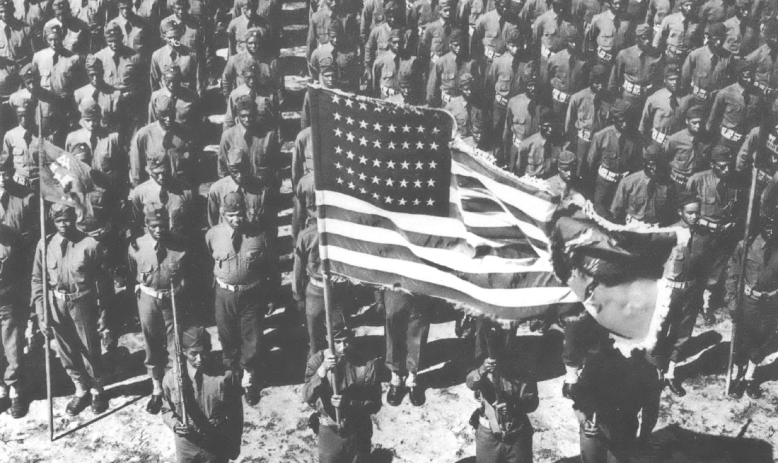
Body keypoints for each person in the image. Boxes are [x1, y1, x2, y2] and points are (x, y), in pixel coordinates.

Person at [31, 202, 114, 416]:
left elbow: (104, 283)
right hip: (55, 304)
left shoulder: (90, 244)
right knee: (65, 349)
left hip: (83, 302)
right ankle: (81, 390)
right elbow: (38, 280)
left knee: (90, 348)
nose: (63, 224)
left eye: (66, 219)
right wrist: (41, 313)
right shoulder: (45, 244)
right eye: (58, 220)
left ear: (75, 217)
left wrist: (105, 312)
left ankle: (97, 389)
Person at [205, 191, 278, 406]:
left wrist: (272, 296)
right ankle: (231, 375)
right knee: (226, 336)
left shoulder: (259, 235)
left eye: (240, 214)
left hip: (252, 293)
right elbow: (210, 258)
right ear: (222, 213)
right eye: (231, 215)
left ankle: (248, 379)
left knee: (252, 337)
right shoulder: (212, 235)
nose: (236, 219)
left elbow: (271, 267)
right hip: (224, 293)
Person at [128, 203, 191, 414]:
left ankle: (175, 387)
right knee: (151, 344)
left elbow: (190, 274)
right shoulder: (135, 246)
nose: (159, 229)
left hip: (173, 299)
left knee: (176, 344)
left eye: (163, 225)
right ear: (146, 225)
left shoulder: (180, 244)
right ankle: (156, 388)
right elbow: (131, 273)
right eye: (154, 225)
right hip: (148, 299)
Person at [302, 312, 382, 463]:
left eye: (346, 341)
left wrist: (349, 403)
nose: (343, 347)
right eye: (337, 342)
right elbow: (307, 396)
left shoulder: (365, 363)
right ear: (328, 339)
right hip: (329, 431)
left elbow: (375, 404)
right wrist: (322, 371)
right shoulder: (316, 362)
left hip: (358, 429)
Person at [725, 177, 778, 399]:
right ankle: (738, 376)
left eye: (774, 226)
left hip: (771, 303)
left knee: (762, 342)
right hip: (749, 302)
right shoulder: (746, 246)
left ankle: (750, 379)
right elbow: (733, 275)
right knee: (743, 341)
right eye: (766, 225)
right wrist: (732, 301)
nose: (770, 230)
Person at [160, 325, 243, 463]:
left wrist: (235, 444)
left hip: (216, 443)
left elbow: (236, 414)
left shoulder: (225, 377)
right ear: (184, 352)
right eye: (194, 354)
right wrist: (175, 424)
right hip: (186, 446)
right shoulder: (171, 378)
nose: (200, 358)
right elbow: (166, 410)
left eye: (204, 353)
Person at [650, 192, 705, 396]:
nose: (694, 217)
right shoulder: (668, 234)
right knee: (659, 331)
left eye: (697, 213)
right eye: (690, 213)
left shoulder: (702, 236)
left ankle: (670, 373)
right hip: (668, 290)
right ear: (680, 211)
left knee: (682, 333)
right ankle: (654, 371)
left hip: (690, 291)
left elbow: (703, 266)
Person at [572, 345, 662, 463]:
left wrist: (642, 440)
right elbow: (579, 398)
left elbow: (651, 411)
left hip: (625, 429)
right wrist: (583, 420)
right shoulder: (596, 360)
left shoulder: (648, 371)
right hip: (596, 427)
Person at [687, 144, 746, 325]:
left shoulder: (736, 185)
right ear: (712, 164)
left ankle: (705, 306)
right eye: (721, 166)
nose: (726, 169)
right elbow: (684, 206)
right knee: (695, 271)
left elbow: (739, 211)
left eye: (728, 164)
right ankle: (691, 308)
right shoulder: (698, 180)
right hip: (701, 235)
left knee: (714, 274)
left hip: (722, 237)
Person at [466, 320, 539, 463]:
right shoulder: (482, 365)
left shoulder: (522, 364)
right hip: (488, 435)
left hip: (517, 434)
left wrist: (513, 406)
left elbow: (532, 402)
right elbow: (470, 383)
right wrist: (482, 370)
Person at [587, 99, 643, 219]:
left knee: (618, 214)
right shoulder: (601, 136)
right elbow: (590, 164)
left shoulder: (636, 137)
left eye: (628, 121)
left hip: (623, 184)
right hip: (603, 183)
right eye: (621, 121)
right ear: (613, 119)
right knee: (599, 213)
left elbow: (637, 163)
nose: (625, 125)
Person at [128, 152, 198, 242]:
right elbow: (138, 222)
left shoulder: (186, 191)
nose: (161, 177)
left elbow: (193, 222)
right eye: (156, 173)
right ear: (149, 171)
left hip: (179, 244)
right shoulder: (139, 193)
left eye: (165, 172)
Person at [130, 95, 196, 188]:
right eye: (163, 115)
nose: (168, 119)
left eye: (171, 114)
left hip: (180, 189)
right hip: (154, 189)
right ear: (157, 115)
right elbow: (136, 171)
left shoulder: (186, 134)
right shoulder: (143, 135)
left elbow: (193, 168)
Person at [207, 147, 279, 234]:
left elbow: (270, 223)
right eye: (235, 171)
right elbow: (213, 222)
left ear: (248, 166)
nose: (240, 176)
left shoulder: (261, 189)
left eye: (243, 170)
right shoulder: (217, 190)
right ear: (228, 169)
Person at [610, 143, 678, 227]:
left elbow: (671, 212)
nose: (655, 168)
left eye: (658, 164)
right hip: (634, 226)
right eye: (651, 164)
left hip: (656, 227)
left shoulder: (668, 184)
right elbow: (616, 211)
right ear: (644, 163)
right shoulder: (628, 182)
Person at [565, 64, 613, 179]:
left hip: (598, 142)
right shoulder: (578, 97)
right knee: (579, 168)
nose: (600, 86)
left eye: (602, 82)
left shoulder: (609, 99)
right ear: (591, 81)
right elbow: (569, 123)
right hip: (582, 140)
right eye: (597, 83)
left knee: (592, 171)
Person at [0, 221, 27, 418]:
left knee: (13, 350)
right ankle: (1, 388)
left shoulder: (13, 237)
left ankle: (15, 390)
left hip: (8, 302)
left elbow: (23, 270)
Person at [707, 60, 762, 150]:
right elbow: (713, 118)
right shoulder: (725, 93)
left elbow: (759, 118)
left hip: (746, 143)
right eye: (745, 77)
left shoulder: (758, 94)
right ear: (738, 76)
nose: (749, 80)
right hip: (726, 140)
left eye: (751, 77)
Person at [0, 0, 32, 144]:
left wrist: (24, 80)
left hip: (20, 83)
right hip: (1, 83)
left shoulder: (24, 29)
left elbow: (32, 57)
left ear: (12, 10)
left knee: (20, 118)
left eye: (7, 11)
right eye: (1, 12)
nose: (4, 14)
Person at [426, 26, 481, 108]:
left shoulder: (471, 63)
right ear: (450, 44)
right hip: (446, 105)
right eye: (456, 45)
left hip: (464, 106)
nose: (459, 48)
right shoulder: (442, 62)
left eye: (461, 44)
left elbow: (476, 88)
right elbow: (432, 88)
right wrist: (432, 104)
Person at [681, 22, 733, 108]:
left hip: (717, 102)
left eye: (721, 39)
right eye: (715, 39)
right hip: (697, 99)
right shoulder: (695, 55)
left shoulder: (728, 57)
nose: (719, 42)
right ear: (707, 38)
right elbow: (685, 77)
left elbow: (731, 80)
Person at [640, 64, 693, 147]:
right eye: (671, 79)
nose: (674, 82)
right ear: (665, 80)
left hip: (678, 143)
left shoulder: (687, 98)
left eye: (677, 79)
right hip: (657, 142)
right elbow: (644, 123)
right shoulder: (655, 98)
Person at [151, 20, 205, 97]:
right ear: (164, 37)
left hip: (186, 98)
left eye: (176, 37)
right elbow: (154, 82)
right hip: (166, 97)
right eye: (170, 37)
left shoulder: (191, 55)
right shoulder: (157, 55)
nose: (174, 40)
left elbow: (199, 81)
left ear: (180, 35)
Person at [666, 105, 710, 190]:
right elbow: (666, 157)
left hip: (697, 183)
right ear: (687, 121)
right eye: (694, 123)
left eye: (700, 123)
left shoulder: (705, 140)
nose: (698, 126)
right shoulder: (675, 139)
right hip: (678, 182)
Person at [532, 0, 575, 83]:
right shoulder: (543, 19)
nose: (561, 9)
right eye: (558, 5)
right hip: (546, 59)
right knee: (544, 83)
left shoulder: (569, 19)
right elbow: (535, 39)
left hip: (562, 60)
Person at [515, 109, 563, 179]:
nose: (550, 129)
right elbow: (519, 169)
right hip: (531, 182)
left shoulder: (558, 146)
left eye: (552, 126)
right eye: (547, 126)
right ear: (539, 126)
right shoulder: (526, 145)